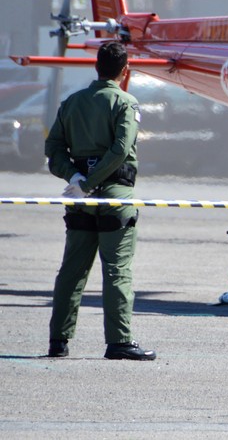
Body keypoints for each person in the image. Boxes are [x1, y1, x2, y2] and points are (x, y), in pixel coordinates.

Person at [44, 41, 156, 360]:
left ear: (96, 66)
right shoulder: (125, 102)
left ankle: (58, 341)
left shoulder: (71, 103)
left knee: (72, 270)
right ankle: (119, 341)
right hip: (114, 199)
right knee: (117, 269)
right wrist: (92, 183)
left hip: (80, 200)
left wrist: (76, 179)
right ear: (125, 70)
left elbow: (53, 149)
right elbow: (120, 150)